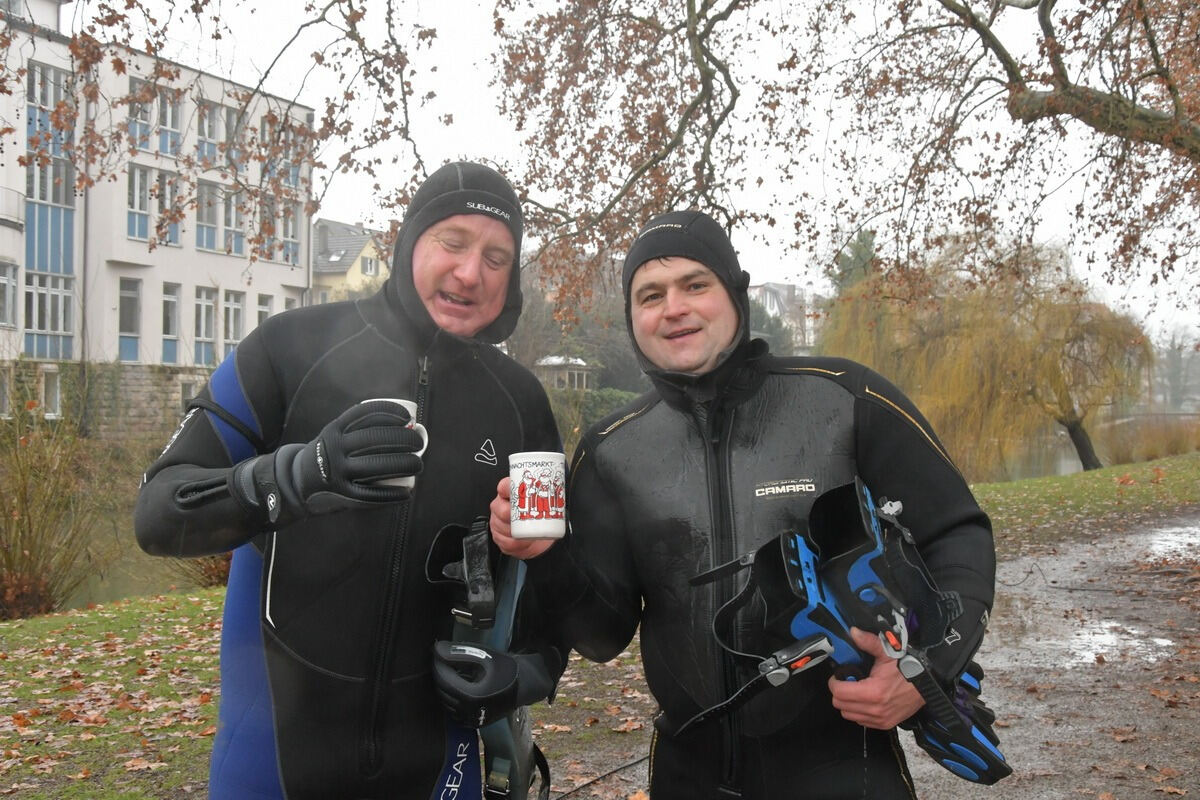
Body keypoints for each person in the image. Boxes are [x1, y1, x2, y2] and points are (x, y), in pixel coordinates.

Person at [488, 210, 997, 799]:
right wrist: (546, 555)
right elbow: (603, 635)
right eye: (650, 295)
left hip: (845, 765)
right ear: (632, 319)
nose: (673, 307)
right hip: (688, 772)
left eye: (695, 285)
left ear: (735, 293)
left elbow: (958, 534)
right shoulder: (612, 449)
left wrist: (927, 670)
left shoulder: (844, 397)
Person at [135, 161, 565, 799]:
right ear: (408, 241)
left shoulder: (521, 404)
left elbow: (558, 582)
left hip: (436, 760)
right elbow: (159, 511)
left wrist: (526, 671)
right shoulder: (288, 350)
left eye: (497, 257)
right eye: (452, 243)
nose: (471, 273)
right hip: (274, 758)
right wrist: (298, 475)